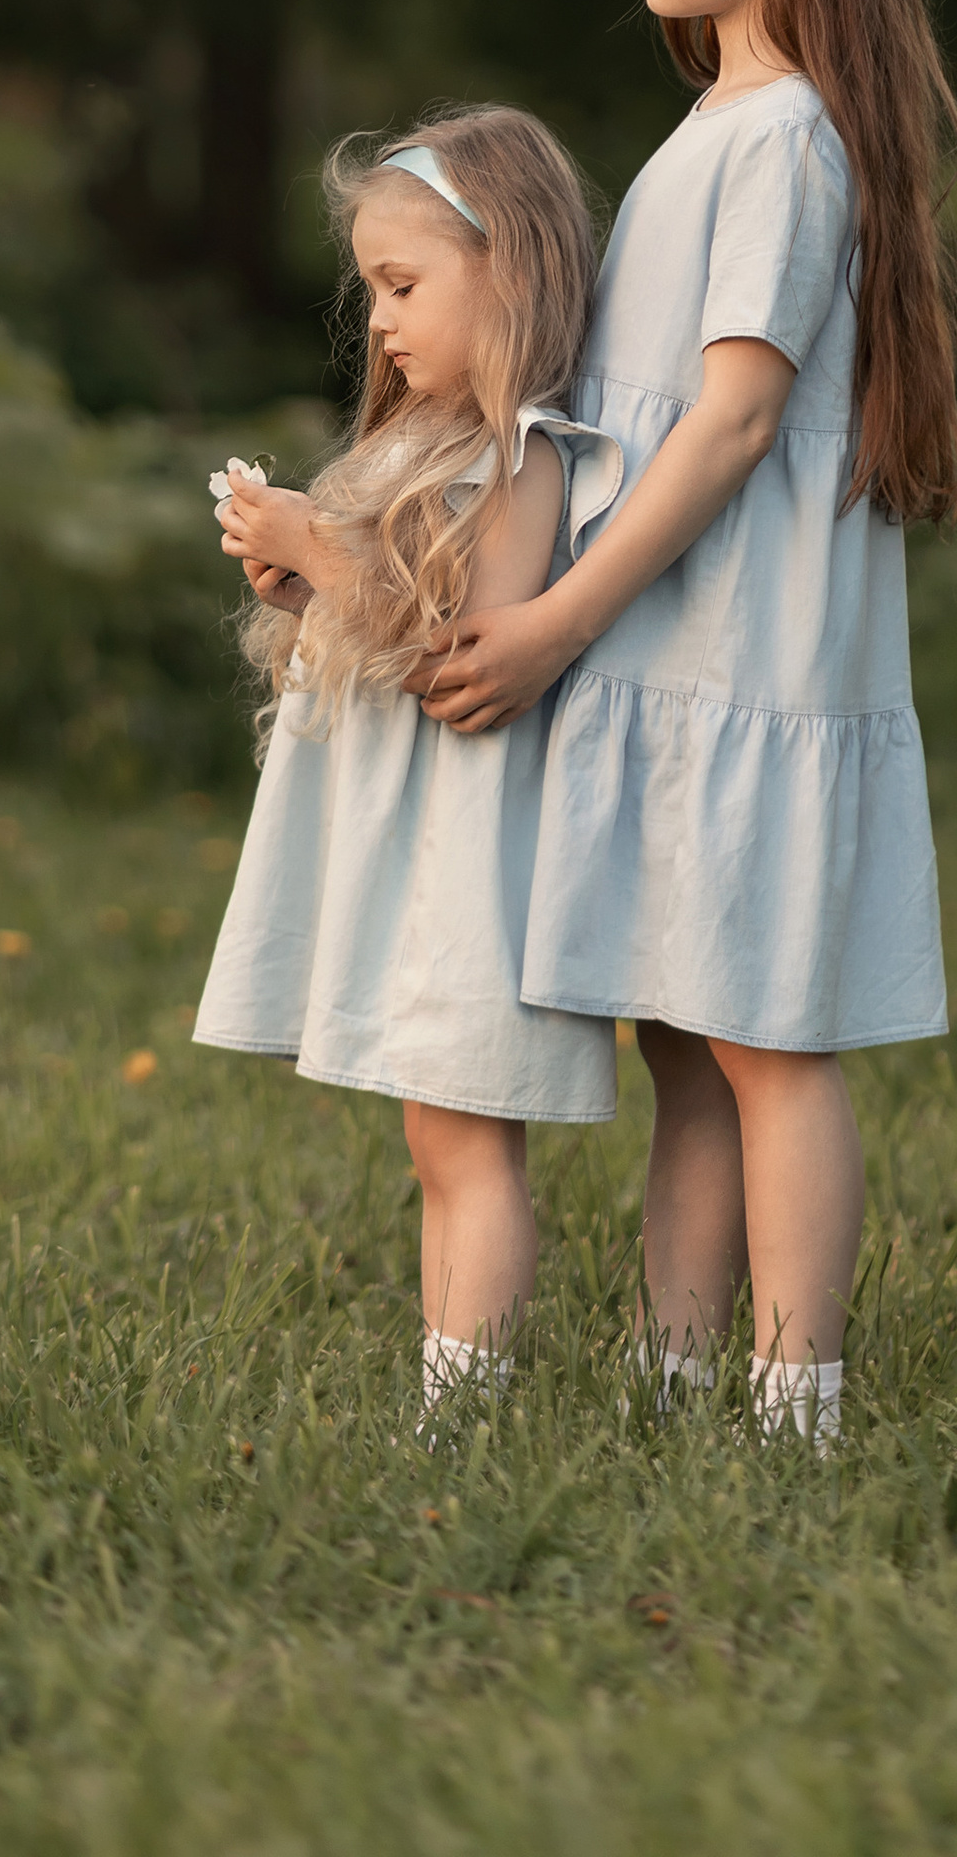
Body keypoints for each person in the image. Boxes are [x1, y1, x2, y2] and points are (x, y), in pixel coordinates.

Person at [420, 0, 957, 1448]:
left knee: (770, 1043)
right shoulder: (722, 125)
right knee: (689, 1037)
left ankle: (796, 1408)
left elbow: (730, 421)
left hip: (746, 664)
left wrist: (559, 620)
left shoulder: (788, 141)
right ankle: (674, 1381)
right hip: (683, 657)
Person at [192, 106, 623, 1417]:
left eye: (403, 285)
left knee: (464, 1137)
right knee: (435, 1137)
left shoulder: (522, 457)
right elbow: (378, 623)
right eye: (371, 289)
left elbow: (456, 650)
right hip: (418, 853)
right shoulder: (415, 443)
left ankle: (468, 1413)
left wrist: (320, 549)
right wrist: (296, 577)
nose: (377, 320)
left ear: (511, 272)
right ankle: (455, 1396)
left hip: (472, 864)